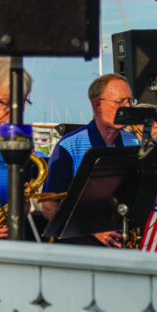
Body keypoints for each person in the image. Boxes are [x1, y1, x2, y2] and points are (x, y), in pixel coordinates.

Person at [41, 74, 141, 246]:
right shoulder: (69, 146)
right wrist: (93, 229)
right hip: (82, 238)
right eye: (120, 102)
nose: (128, 107)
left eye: (130, 101)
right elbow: (49, 208)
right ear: (97, 105)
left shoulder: (133, 142)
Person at [0, 57, 32, 238]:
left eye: (21, 103)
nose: (15, 112)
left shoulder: (16, 142)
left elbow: (23, 202)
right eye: (6, 102)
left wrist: (14, 220)